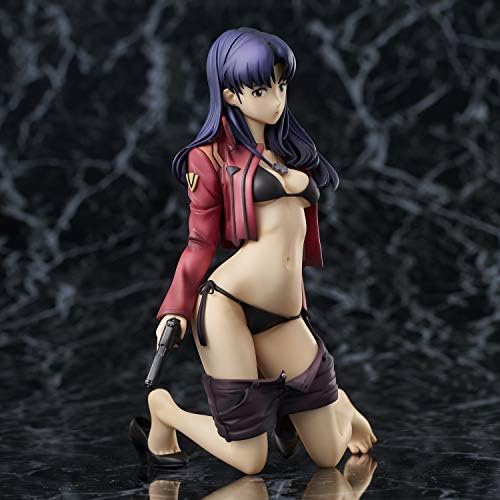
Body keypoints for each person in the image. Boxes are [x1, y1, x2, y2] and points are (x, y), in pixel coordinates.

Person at [138, 27, 378, 475]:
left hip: (284, 314)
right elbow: (200, 241)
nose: (277, 99)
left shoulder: (288, 149)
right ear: (231, 95)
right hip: (228, 304)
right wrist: (176, 308)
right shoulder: (209, 157)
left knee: (329, 456)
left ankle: (341, 404)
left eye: (281, 85)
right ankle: (165, 411)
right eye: (261, 89)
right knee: (250, 461)